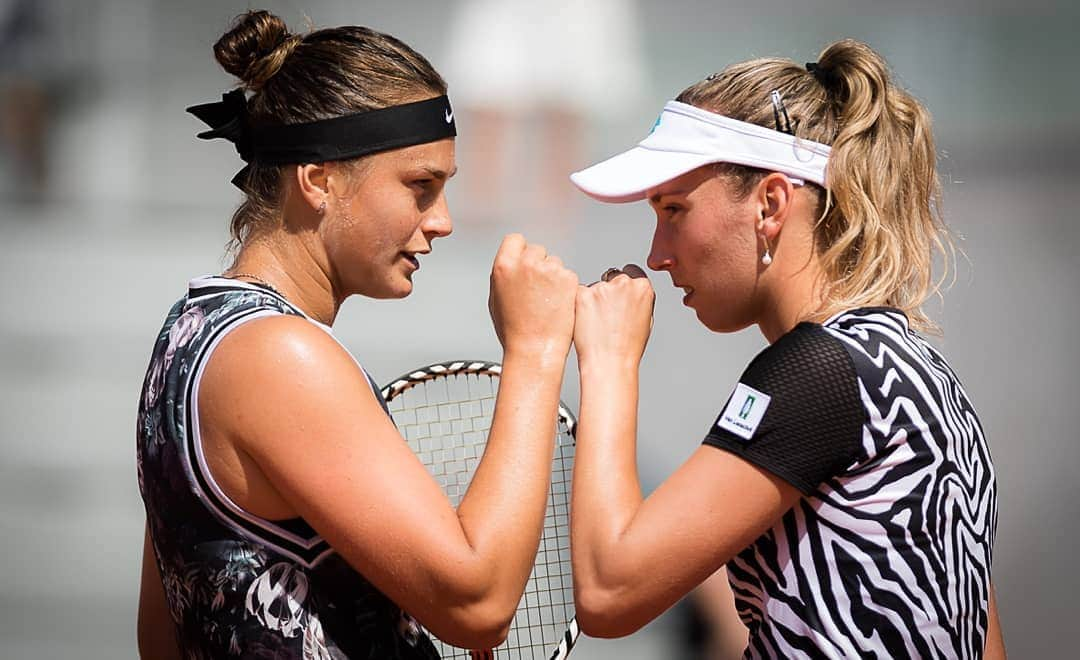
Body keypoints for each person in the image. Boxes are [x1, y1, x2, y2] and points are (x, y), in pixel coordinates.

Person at [135, 10, 578, 659]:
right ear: (318, 180)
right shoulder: (280, 357)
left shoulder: (189, 329)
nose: (444, 221)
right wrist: (536, 352)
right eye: (419, 187)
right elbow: (478, 604)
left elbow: (160, 637)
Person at [567, 39, 1006, 658]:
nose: (656, 255)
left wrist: (608, 360)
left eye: (674, 210)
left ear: (770, 204)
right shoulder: (923, 371)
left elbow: (610, 592)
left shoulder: (816, 371)